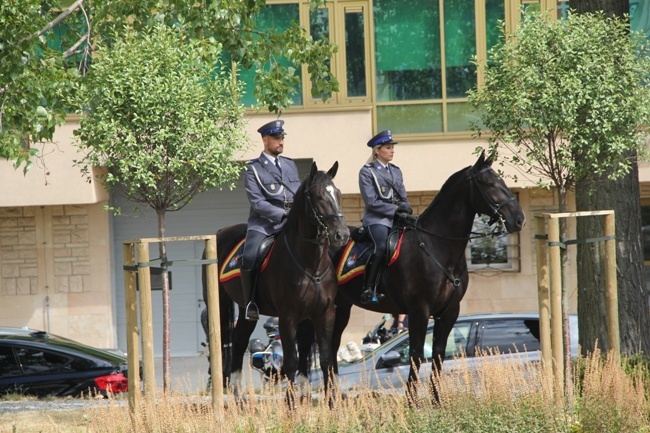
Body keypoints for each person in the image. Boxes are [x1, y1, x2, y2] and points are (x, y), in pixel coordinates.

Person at [241, 119, 301, 320]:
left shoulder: (290, 165)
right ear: (265, 140)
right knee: (249, 255)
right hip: (264, 223)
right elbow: (257, 203)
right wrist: (282, 214)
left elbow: (298, 194)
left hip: (291, 220)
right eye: (276, 138)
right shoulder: (253, 169)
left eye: (282, 137)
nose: (281, 142)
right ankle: (250, 302)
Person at [359, 129, 412, 304]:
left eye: (392, 147)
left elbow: (402, 196)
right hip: (377, 219)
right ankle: (368, 288)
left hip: (397, 218)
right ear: (377, 150)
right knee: (381, 247)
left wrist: (406, 208)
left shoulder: (396, 171)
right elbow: (372, 202)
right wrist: (395, 210)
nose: (392, 150)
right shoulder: (367, 171)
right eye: (388, 147)